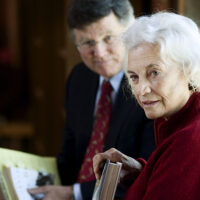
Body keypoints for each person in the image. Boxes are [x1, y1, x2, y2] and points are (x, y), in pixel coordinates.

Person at [28, 0, 155, 199]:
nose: (100, 53)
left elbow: (148, 175)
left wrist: (73, 193)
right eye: (88, 43)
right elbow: (70, 156)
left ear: (130, 33)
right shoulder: (79, 78)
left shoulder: (149, 87)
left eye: (109, 38)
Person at [93, 11, 200, 200]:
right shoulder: (174, 119)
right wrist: (141, 170)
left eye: (155, 73)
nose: (142, 90)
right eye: (134, 77)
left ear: (188, 69)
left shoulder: (190, 138)